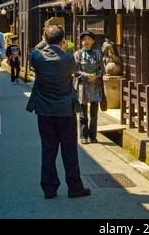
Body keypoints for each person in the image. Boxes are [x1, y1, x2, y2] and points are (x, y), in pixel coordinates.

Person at [27, 25, 91, 200]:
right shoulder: (68, 58)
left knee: (48, 149)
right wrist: (55, 43)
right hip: (65, 110)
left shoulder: (37, 57)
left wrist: (45, 40)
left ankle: (49, 188)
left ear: (45, 39)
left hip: (44, 110)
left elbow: (34, 51)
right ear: (63, 40)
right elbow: (73, 71)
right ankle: (74, 187)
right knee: (69, 149)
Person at [74, 31, 104, 145]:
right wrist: (87, 76)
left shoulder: (97, 53)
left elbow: (102, 68)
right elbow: (75, 71)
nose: (86, 41)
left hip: (95, 85)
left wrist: (96, 75)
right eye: (84, 39)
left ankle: (93, 136)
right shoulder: (78, 54)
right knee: (83, 113)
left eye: (89, 39)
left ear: (93, 41)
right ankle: (83, 136)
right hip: (83, 86)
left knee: (94, 113)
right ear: (81, 42)